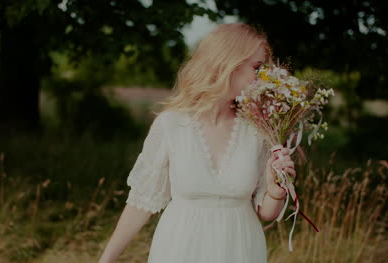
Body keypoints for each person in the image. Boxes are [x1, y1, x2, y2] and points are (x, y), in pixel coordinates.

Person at [98, 23, 296, 263]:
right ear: (229, 64)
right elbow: (142, 201)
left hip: (241, 250)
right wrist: (106, 259)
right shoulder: (171, 125)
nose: (262, 77)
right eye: (257, 68)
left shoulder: (259, 130)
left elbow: (267, 213)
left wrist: (276, 192)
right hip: (180, 248)